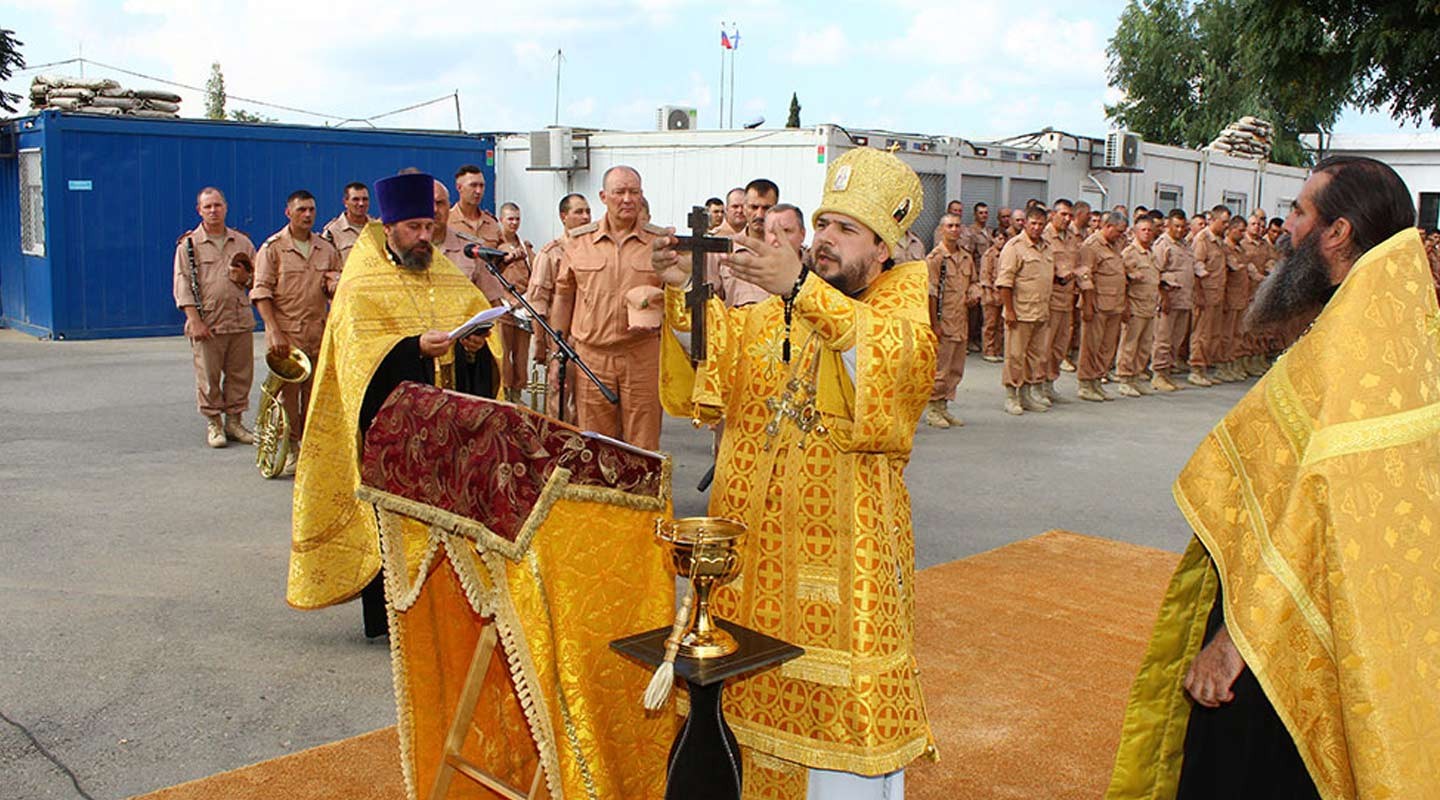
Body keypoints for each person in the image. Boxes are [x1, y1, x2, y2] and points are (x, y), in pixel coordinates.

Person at [1107, 156, 1439, 800]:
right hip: (1341, 625)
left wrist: (1235, 642)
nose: (1286, 228)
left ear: (1337, 233)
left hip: (1283, 643)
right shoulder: (1386, 326)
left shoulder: (1356, 345)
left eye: (1299, 212)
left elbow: (1323, 514)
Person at [652, 145, 936, 798]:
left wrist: (801, 289)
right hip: (757, 570)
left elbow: (884, 363)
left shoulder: (900, 315)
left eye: (846, 230)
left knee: (839, 770)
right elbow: (720, 359)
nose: (827, 241)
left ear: (884, 249)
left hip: (845, 571)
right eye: (825, 225)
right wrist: (681, 289)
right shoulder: (789, 312)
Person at [286, 171, 499, 637]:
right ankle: (392, 619)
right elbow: (358, 360)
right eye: (414, 228)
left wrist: (473, 348)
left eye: (429, 226)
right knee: (393, 524)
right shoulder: (361, 280)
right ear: (389, 228)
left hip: (447, 429)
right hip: (387, 427)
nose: (425, 237)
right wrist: (413, 349)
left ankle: (448, 607)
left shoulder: (445, 274)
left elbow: (479, 338)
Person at [550, 165, 666, 450]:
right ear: (604, 196)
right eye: (619, 192)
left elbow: (679, 296)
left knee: (643, 445)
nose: (627, 199)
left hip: (642, 356)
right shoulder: (580, 242)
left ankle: (642, 495)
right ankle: (599, 496)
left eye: (634, 192)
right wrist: (557, 353)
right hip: (593, 358)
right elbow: (564, 297)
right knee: (595, 443)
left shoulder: (659, 243)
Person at [250, 189, 342, 472]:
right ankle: (290, 448)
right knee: (288, 399)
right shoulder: (273, 248)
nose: (307, 215)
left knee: (315, 396)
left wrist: (335, 285)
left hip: (317, 332)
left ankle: (310, 446)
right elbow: (261, 293)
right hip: (287, 335)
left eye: (311, 209)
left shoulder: (325, 249)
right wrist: (273, 330)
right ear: (288, 212)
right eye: (301, 209)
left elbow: (333, 288)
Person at [173, 187, 257, 448]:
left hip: (239, 319)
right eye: (207, 206)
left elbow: (260, 279)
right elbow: (182, 283)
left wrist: (247, 279)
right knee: (208, 377)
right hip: (207, 322)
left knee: (240, 374)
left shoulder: (242, 243)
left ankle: (234, 421)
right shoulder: (189, 245)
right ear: (199, 210)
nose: (213, 211)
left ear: (226, 207)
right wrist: (194, 320)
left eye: (217, 205)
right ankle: (214, 423)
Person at [526, 192, 591, 422]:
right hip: (562, 342)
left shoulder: (593, 250)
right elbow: (538, 305)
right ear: (564, 216)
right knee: (560, 404)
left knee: (587, 407)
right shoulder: (551, 253)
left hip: (589, 340)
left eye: (588, 211)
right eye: (578, 212)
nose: (585, 217)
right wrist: (542, 345)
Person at [997, 206, 1055, 415]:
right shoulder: (1014, 247)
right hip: (1020, 312)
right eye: (1033, 223)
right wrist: (1009, 311)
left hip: (1040, 311)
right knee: (1014, 356)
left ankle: (1026, 393)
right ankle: (1011, 395)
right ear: (1025, 223)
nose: (1037, 228)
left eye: (1041, 224)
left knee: (1035, 356)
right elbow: (1005, 283)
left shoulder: (1047, 248)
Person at [923, 213, 979, 428]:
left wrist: (974, 293)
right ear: (942, 230)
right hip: (943, 320)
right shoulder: (935, 259)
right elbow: (931, 294)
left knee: (956, 367)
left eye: (957, 226)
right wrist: (934, 324)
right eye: (950, 226)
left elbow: (974, 281)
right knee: (941, 367)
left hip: (961, 319)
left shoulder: (966, 257)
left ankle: (944, 405)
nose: (954, 230)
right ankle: (933, 408)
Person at [1075, 211, 1128, 401]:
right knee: (1091, 345)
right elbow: (1085, 277)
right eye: (1118, 231)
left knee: (1107, 347)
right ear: (1108, 226)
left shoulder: (1117, 244)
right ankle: (1085, 383)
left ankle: (1098, 379)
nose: (1121, 235)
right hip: (1097, 305)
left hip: (1114, 304)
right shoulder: (1091, 246)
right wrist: (1088, 305)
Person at [494, 202, 536, 403]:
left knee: (521, 355)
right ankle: (505, 393)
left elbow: (535, 273)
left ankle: (518, 394)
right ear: (501, 220)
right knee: (504, 352)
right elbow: (489, 274)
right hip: (504, 308)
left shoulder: (526, 247)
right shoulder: (495, 247)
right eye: (510, 218)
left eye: (517, 218)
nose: (514, 223)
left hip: (523, 307)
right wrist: (506, 259)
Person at [1114, 216, 1160, 397]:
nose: (1147, 233)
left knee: (1145, 345)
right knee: (1129, 344)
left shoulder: (1151, 253)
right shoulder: (1129, 253)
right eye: (1143, 230)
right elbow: (1123, 281)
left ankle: (1136, 376)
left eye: (1150, 230)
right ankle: (1124, 378)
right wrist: (1124, 306)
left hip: (1150, 305)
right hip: (1135, 305)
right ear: (1134, 232)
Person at [1152, 209, 1196, 392]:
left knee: (1176, 339)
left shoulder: (1185, 245)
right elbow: (1157, 273)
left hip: (1184, 300)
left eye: (1182, 226)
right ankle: (1158, 374)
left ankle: (1168, 372)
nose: (1179, 230)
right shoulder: (1163, 245)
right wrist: (1163, 297)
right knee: (1163, 338)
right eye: (1176, 226)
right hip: (1169, 300)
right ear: (1168, 226)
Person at [1040, 199, 1079, 403]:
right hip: (1050, 298)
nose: (1066, 219)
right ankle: (1037, 384)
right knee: (1044, 345)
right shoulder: (1045, 236)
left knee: (1059, 346)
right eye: (1063, 214)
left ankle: (1049, 383)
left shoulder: (1071, 238)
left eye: (1069, 215)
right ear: (1052, 214)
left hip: (1067, 298)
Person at [718, 178, 779, 307]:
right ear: (745, 208)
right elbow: (713, 303)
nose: (760, 214)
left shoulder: (789, 253)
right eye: (754, 207)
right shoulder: (724, 251)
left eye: (766, 208)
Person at [1187, 205, 1231, 386]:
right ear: (1213, 220)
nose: (1226, 225)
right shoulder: (1203, 239)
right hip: (1205, 295)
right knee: (1201, 334)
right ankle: (1196, 368)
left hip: (1217, 294)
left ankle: (1205, 366)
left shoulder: (1219, 241)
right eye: (1224, 222)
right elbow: (1197, 266)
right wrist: (1199, 294)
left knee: (1212, 334)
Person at [449, 164, 505, 304]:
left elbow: (502, 253)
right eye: (473, 185)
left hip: (489, 298)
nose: (478, 191)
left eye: (482, 186)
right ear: (459, 188)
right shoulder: (446, 222)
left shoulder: (491, 223)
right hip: (459, 297)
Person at [320, 182, 372, 264]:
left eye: (365, 199)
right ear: (345, 202)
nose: (361, 203)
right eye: (355, 199)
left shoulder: (377, 228)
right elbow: (324, 265)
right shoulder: (332, 232)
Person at [978, 227, 1006, 362]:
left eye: (1004, 238)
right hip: (990, 293)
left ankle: (998, 349)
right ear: (993, 239)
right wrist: (988, 293)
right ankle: (988, 350)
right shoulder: (988, 255)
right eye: (999, 238)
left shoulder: (1005, 255)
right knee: (990, 324)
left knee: (1000, 325)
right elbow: (985, 275)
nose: (1002, 241)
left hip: (1001, 295)